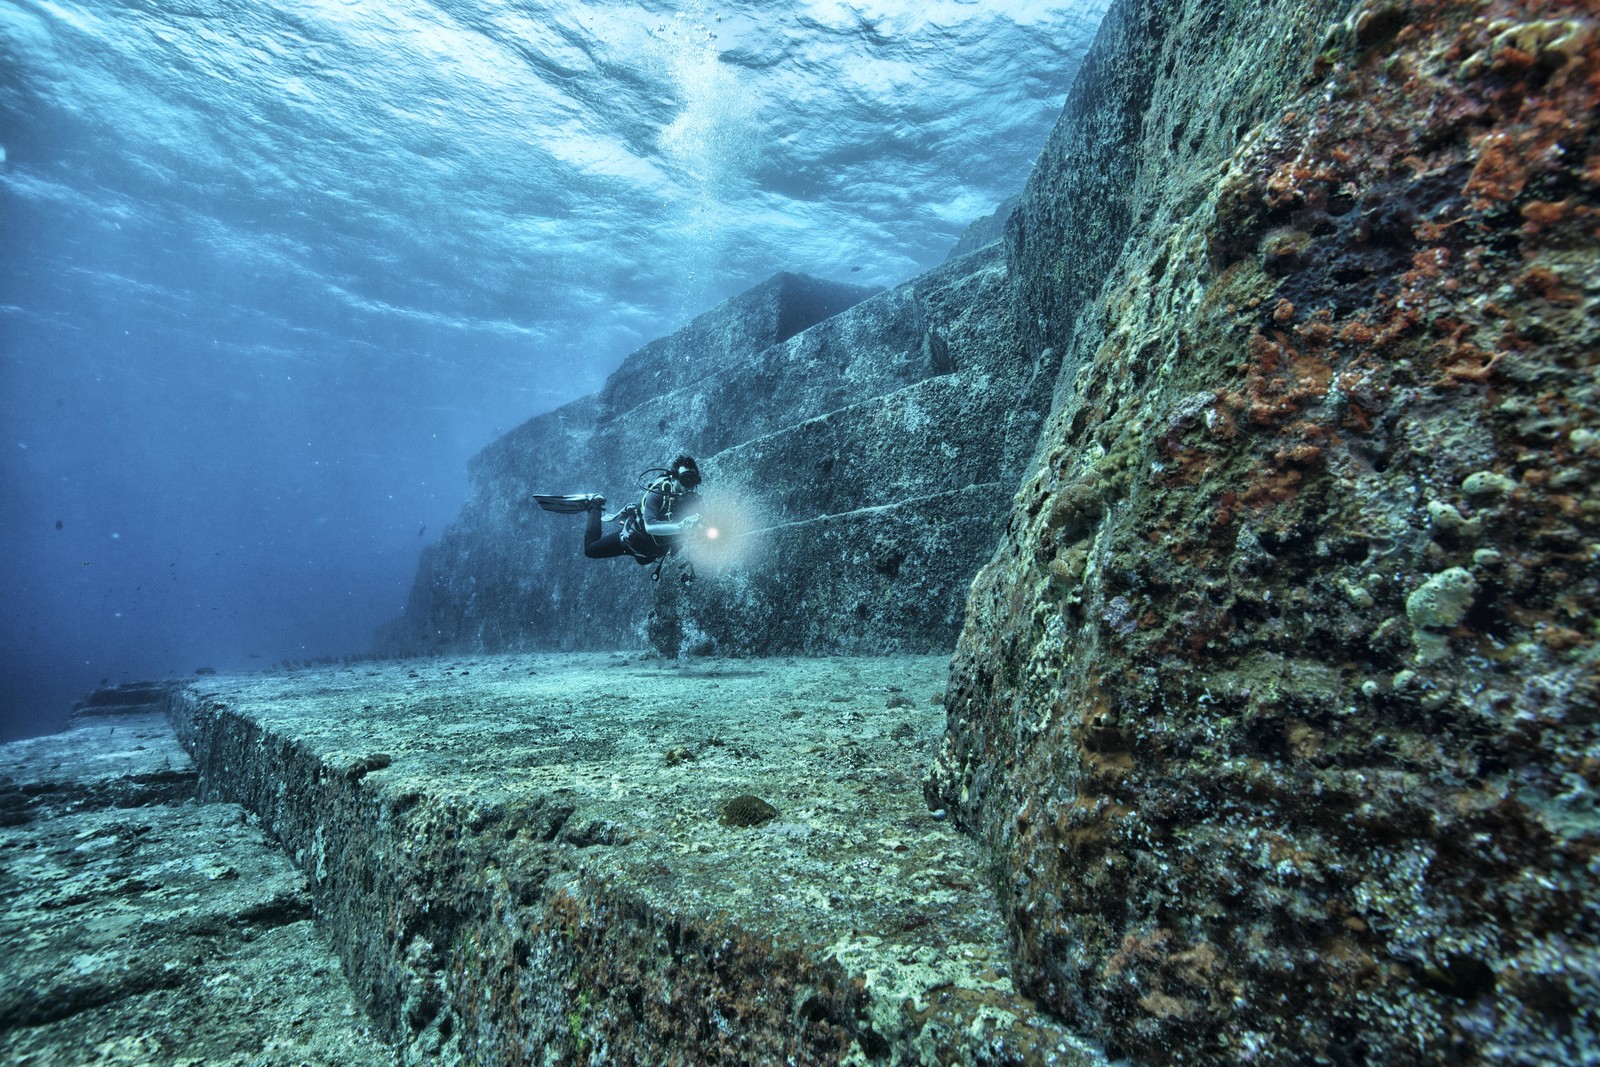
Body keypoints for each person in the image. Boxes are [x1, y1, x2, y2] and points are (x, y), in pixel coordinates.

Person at [534, 455, 706, 576]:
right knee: (590, 550)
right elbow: (650, 526)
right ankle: (593, 504)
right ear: (674, 478)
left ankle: (627, 512)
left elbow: (707, 527)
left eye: (694, 481)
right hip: (631, 540)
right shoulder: (658, 493)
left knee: (643, 561)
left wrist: (703, 527)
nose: (689, 486)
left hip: (650, 552)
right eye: (685, 479)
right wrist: (681, 526)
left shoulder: (695, 501)